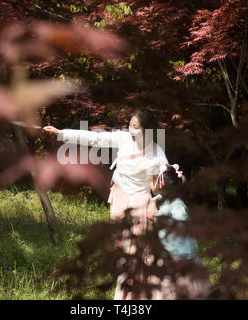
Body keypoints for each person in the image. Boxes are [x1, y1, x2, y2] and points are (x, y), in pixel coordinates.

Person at [43, 108, 169, 300]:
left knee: (134, 255)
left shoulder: (157, 155)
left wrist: (156, 200)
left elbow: (166, 187)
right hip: (119, 200)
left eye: (136, 127)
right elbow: (95, 138)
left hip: (139, 206)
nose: (131, 130)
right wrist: (61, 133)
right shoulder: (124, 139)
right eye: (130, 125)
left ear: (147, 130)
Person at [149, 164, 212, 299]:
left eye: (151, 180)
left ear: (161, 182)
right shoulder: (164, 201)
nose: (150, 183)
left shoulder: (177, 205)